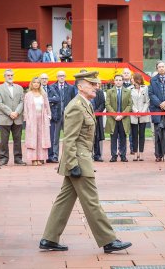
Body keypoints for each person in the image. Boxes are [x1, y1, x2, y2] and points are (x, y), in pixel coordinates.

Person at [39, 71, 132, 253]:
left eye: (96, 84)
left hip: (81, 158)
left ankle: (49, 238)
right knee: (91, 201)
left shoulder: (84, 104)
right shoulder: (76, 106)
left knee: (64, 201)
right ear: (80, 86)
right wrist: (73, 164)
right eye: (92, 84)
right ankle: (108, 240)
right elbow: (70, 138)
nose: (97, 87)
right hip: (79, 160)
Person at [0, 69, 26, 166]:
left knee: (18, 140)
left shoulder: (19, 88)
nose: (10, 77)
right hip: (5, 118)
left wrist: (16, 112)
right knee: (4, 140)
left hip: (17, 117)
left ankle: (18, 158)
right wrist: (10, 113)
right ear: (4, 76)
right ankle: (3, 159)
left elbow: (22, 101)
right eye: (8, 75)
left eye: (11, 75)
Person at [47, 71, 76, 163]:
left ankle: (68, 156)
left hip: (68, 115)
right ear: (57, 77)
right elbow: (49, 99)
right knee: (55, 137)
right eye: (60, 76)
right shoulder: (52, 87)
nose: (61, 77)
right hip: (56, 115)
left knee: (68, 137)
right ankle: (55, 156)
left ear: (65, 76)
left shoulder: (71, 88)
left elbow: (74, 100)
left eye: (63, 76)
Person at [24, 77, 52, 166]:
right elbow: (26, 109)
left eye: (37, 82)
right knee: (33, 138)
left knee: (41, 138)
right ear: (31, 84)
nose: (36, 84)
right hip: (32, 119)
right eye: (34, 82)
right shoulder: (28, 95)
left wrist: (48, 116)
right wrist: (27, 119)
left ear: (40, 84)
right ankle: (33, 159)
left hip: (42, 119)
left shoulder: (43, 94)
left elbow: (47, 106)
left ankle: (40, 158)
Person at [105, 74, 132, 162]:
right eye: (116, 80)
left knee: (123, 137)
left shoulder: (127, 92)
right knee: (113, 137)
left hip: (124, 118)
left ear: (123, 81)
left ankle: (123, 155)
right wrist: (115, 115)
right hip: (113, 119)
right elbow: (107, 104)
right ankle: (114, 155)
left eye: (120, 80)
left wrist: (122, 115)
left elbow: (129, 105)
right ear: (114, 81)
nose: (118, 81)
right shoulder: (109, 91)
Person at [130, 72, 150, 161]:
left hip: (143, 114)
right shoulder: (129, 89)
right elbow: (129, 102)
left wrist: (142, 111)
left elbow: (147, 101)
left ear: (136, 79)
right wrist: (136, 111)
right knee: (134, 134)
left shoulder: (145, 88)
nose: (131, 80)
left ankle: (141, 153)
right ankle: (135, 152)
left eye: (132, 78)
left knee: (142, 134)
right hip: (133, 115)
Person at [92, 81, 106, 162]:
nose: (96, 85)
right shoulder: (88, 91)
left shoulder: (100, 92)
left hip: (97, 117)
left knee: (97, 136)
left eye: (97, 84)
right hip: (87, 116)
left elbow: (103, 104)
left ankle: (97, 155)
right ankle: (88, 155)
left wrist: (96, 112)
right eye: (95, 83)